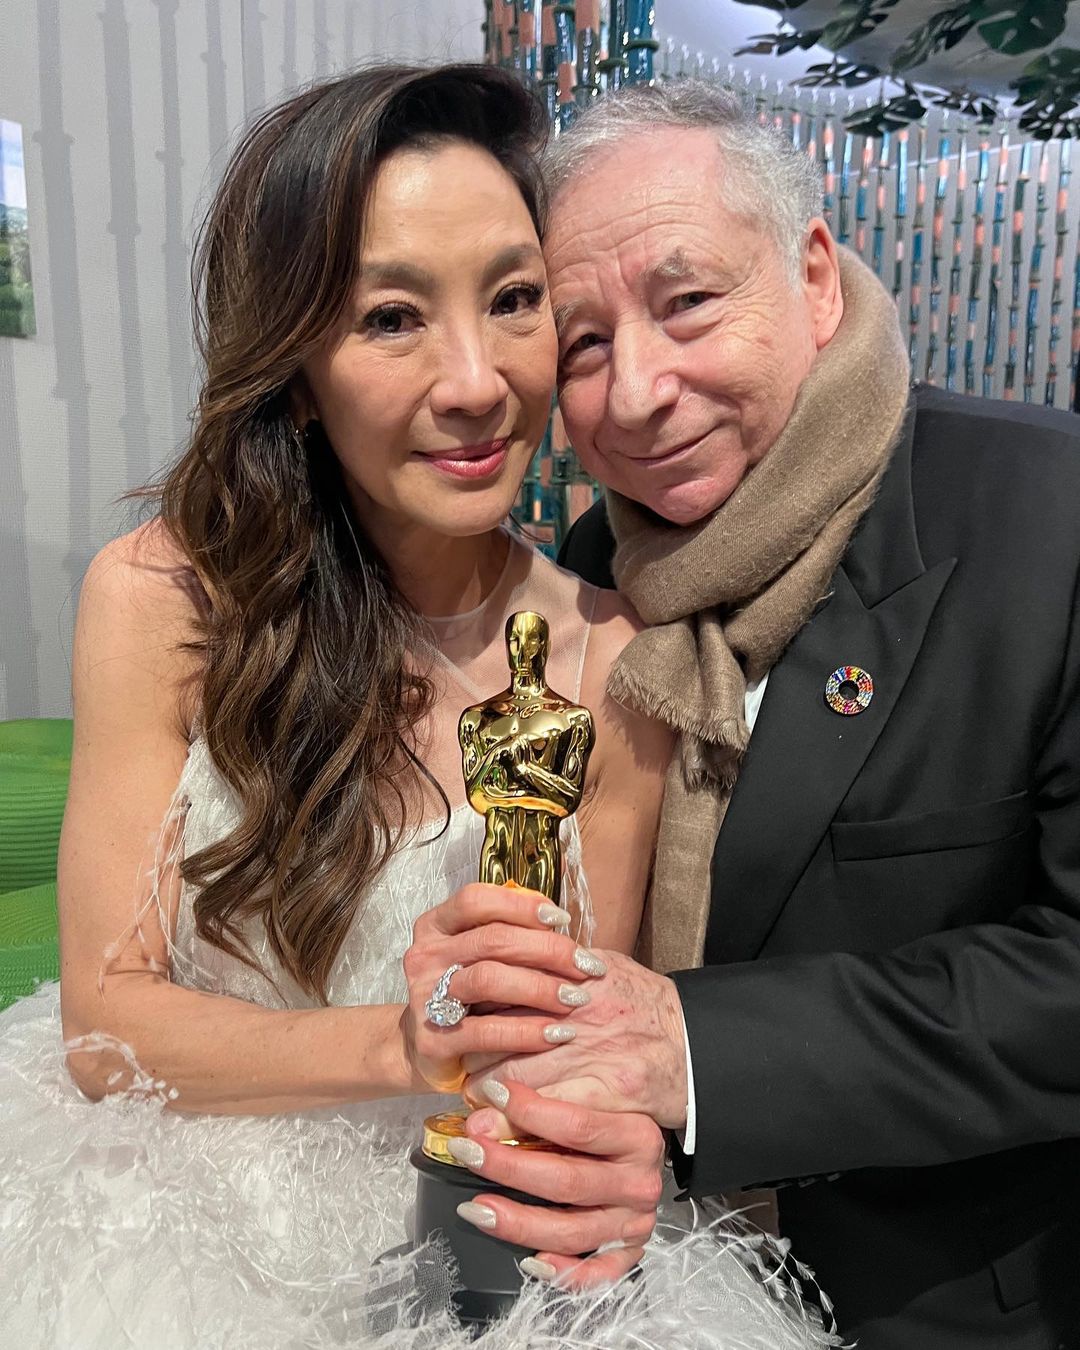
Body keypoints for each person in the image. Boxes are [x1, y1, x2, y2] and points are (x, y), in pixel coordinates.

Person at [0, 65, 837, 1350]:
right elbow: (108, 1032)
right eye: (392, 318)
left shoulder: (618, 661)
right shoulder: (167, 600)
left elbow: (583, 1034)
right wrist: (401, 1042)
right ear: (292, 363)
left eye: (514, 302)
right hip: (172, 1220)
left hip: (476, 1225)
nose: (476, 382)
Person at [425, 82, 1080, 1350]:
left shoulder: (1045, 522)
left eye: (687, 302)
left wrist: (696, 1057)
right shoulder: (590, 575)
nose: (640, 392)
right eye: (582, 344)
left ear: (816, 281)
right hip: (630, 1277)